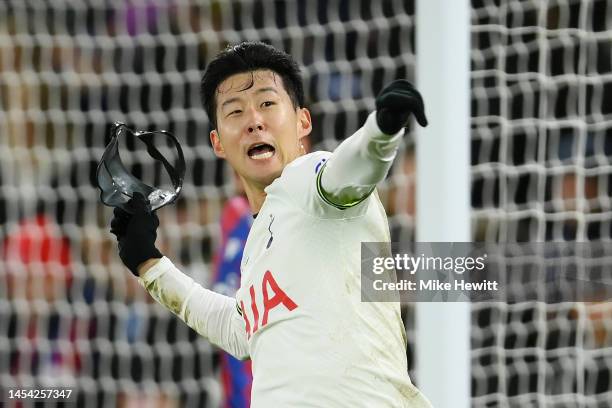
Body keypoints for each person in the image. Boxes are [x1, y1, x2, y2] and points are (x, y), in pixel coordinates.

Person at [109, 41, 432, 407]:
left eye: (267, 103)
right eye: (234, 112)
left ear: (302, 122)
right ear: (217, 143)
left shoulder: (311, 180)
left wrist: (381, 130)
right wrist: (149, 264)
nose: (254, 121)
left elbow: (352, 170)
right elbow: (239, 331)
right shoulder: (257, 245)